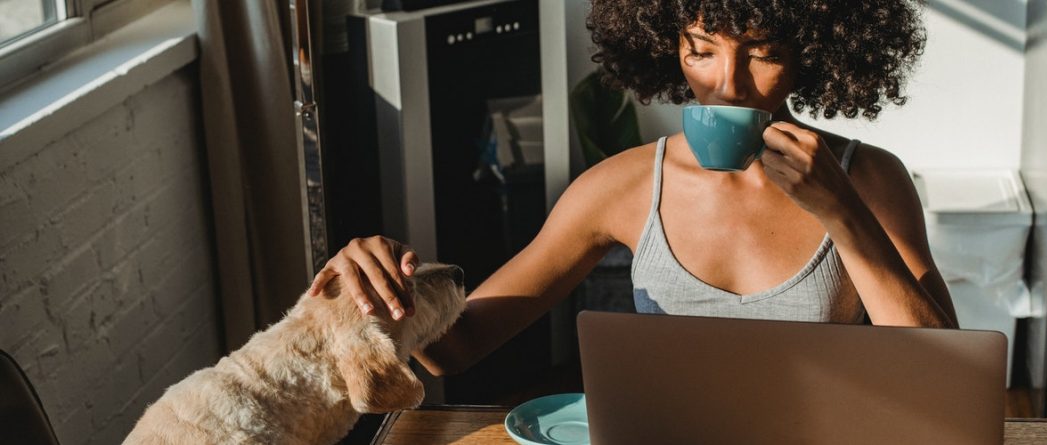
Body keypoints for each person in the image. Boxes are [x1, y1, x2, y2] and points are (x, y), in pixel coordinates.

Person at [306, 0, 958, 376]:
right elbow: (462, 343)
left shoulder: (867, 178)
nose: (728, 85)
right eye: (701, 49)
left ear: (813, 52)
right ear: (667, 47)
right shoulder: (620, 188)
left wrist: (843, 212)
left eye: (761, 51)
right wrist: (383, 287)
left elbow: (943, 369)